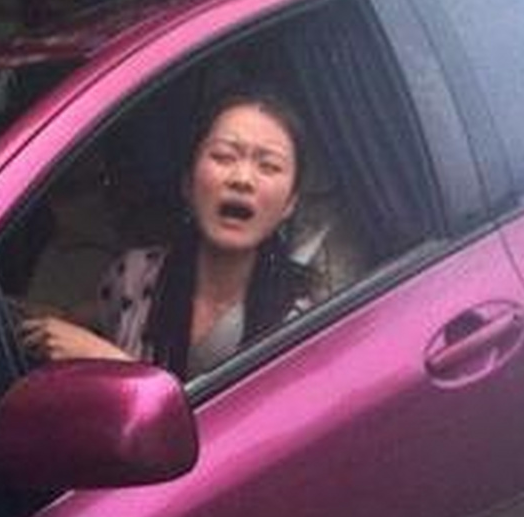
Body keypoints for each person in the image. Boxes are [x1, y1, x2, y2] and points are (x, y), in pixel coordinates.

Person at [19, 91, 317, 379]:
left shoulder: (302, 326)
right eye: (224, 156)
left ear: (290, 203)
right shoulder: (135, 275)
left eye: (269, 166)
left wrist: (108, 360)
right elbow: (82, 320)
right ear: (187, 183)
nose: (242, 179)